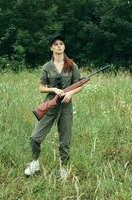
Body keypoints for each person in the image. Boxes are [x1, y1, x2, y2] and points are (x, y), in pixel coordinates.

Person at [24, 34, 82, 179]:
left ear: (64, 46)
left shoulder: (72, 65)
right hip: (50, 104)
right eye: (55, 44)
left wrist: (70, 94)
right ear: (51, 48)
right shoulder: (46, 67)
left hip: (66, 106)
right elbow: (41, 87)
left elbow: (80, 85)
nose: (59, 46)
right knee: (35, 138)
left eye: (61, 43)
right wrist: (53, 90)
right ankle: (35, 162)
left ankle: (64, 167)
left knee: (64, 141)